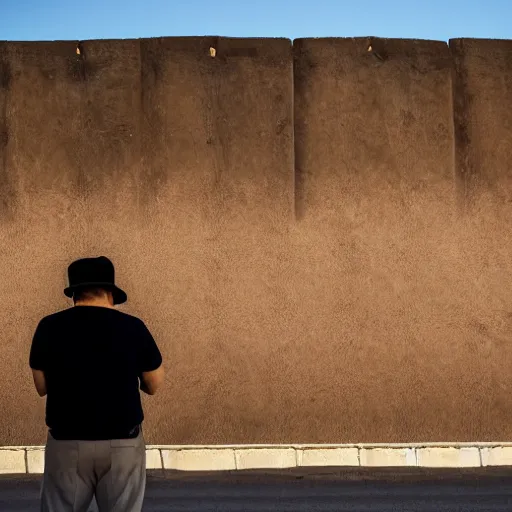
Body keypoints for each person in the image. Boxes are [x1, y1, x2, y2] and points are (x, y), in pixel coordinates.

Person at [29, 256, 164, 512]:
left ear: (74, 294)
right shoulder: (133, 327)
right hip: (122, 443)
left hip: (66, 442)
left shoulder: (49, 327)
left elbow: (41, 386)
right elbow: (154, 383)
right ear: (111, 293)